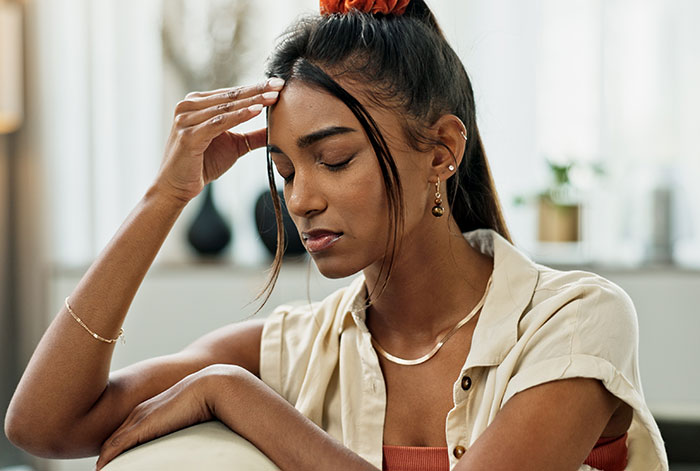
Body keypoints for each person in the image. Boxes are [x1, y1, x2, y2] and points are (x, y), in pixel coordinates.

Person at [5, 1, 668, 470]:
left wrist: (233, 393)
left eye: (334, 158)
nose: (300, 198)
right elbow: (43, 423)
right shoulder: (299, 347)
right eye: (285, 170)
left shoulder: (576, 319)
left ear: (441, 152)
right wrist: (166, 194)